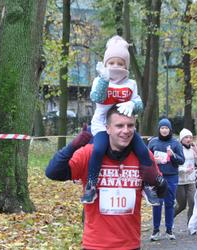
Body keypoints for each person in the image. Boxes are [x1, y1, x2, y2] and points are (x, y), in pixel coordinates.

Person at [45, 105, 167, 249]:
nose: (126, 131)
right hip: (95, 245)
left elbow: (161, 193)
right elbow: (53, 172)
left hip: (130, 244)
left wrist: (157, 181)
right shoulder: (89, 154)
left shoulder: (143, 156)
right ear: (107, 128)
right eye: (119, 126)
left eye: (130, 125)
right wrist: (72, 146)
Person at [82, 35, 157, 205]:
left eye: (120, 63)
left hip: (125, 128)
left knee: (143, 152)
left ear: (126, 66)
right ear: (106, 64)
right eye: (112, 63)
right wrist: (104, 80)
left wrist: (132, 104)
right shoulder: (99, 80)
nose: (116, 66)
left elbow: (139, 103)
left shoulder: (130, 83)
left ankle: (147, 185)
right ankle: (91, 185)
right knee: (99, 149)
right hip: (102, 125)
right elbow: (97, 97)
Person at [147, 118, 185, 241]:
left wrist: (172, 155)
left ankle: (169, 230)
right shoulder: (153, 142)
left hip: (171, 176)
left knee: (169, 203)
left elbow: (182, 160)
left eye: (166, 128)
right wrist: (154, 161)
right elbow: (146, 160)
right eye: (162, 128)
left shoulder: (175, 143)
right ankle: (156, 230)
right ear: (159, 129)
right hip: (157, 177)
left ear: (170, 130)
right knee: (157, 203)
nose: (164, 130)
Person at [174, 128, 197, 224]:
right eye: (186, 137)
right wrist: (185, 170)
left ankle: (190, 225)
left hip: (191, 181)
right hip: (180, 181)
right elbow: (174, 166)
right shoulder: (177, 149)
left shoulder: (193, 149)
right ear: (181, 139)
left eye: (190, 137)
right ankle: (169, 219)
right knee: (182, 205)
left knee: (193, 203)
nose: (189, 139)